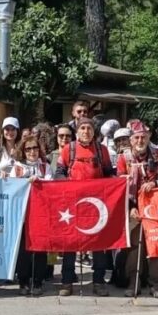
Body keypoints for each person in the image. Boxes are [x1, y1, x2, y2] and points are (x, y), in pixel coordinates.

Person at [54, 117, 115, 296]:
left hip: (95, 204)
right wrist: (70, 187)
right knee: (70, 243)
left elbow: (109, 173)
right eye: (82, 128)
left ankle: (98, 281)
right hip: (72, 205)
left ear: (94, 131)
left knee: (98, 244)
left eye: (89, 128)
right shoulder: (68, 149)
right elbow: (59, 174)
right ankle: (66, 282)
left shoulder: (101, 150)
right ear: (77, 131)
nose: (86, 131)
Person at [119, 120, 158, 298]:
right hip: (135, 207)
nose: (140, 141)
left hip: (156, 207)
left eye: (143, 137)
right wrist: (130, 207)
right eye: (137, 138)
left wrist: (155, 182)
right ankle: (134, 281)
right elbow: (120, 186)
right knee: (135, 246)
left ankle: (157, 283)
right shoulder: (124, 158)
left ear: (148, 138)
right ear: (131, 140)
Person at [12, 136, 53, 296]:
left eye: (35, 148)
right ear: (23, 150)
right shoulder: (17, 166)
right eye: (28, 149)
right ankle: (23, 281)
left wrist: (39, 181)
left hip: (41, 213)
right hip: (22, 213)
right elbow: (12, 186)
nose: (32, 152)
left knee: (40, 248)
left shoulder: (45, 167)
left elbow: (50, 185)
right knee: (23, 249)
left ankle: (38, 281)